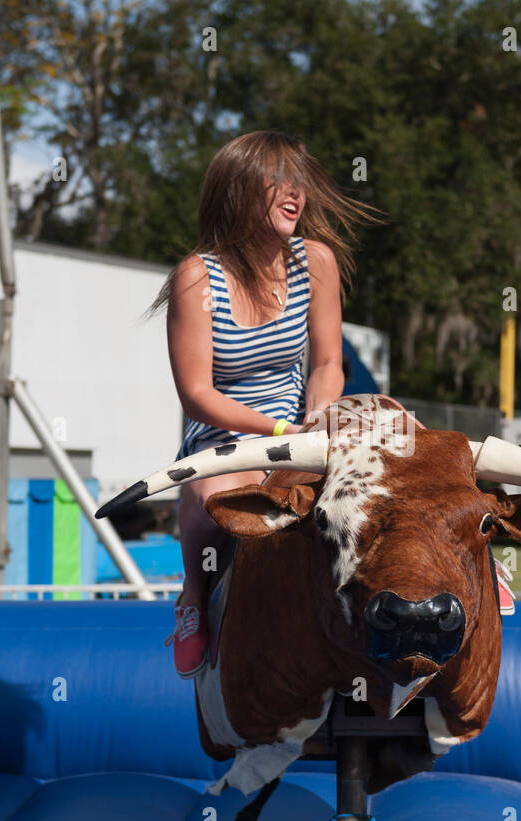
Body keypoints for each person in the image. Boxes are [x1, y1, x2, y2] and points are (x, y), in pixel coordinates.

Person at [147, 130, 383, 678]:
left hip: (301, 424)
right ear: (236, 193)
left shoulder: (315, 262)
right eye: (276, 181)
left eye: (298, 182)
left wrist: (318, 420)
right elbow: (198, 396)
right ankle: (193, 598)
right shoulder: (196, 278)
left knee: (392, 440)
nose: (293, 193)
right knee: (209, 493)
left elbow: (327, 363)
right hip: (228, 433)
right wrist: (280, 430)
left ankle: (469, 568)